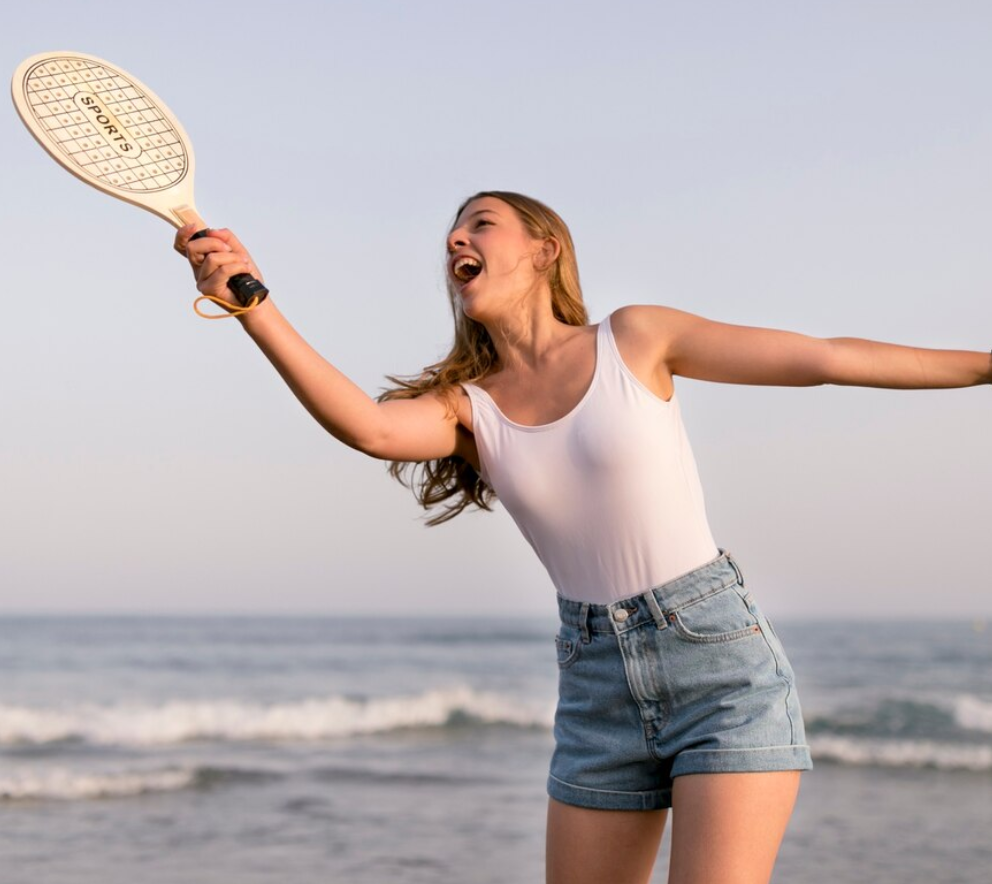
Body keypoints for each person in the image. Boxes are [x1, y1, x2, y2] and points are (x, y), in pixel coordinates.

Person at [175, 191, 990, 884]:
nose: (456, 239)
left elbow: (825, 357)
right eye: (452, 233)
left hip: (718, 666)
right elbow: (369, 428)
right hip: (596, 686)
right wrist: (252, 303)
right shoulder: (470, 408)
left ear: (544, 249)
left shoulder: (635, 338)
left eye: (481, 224)